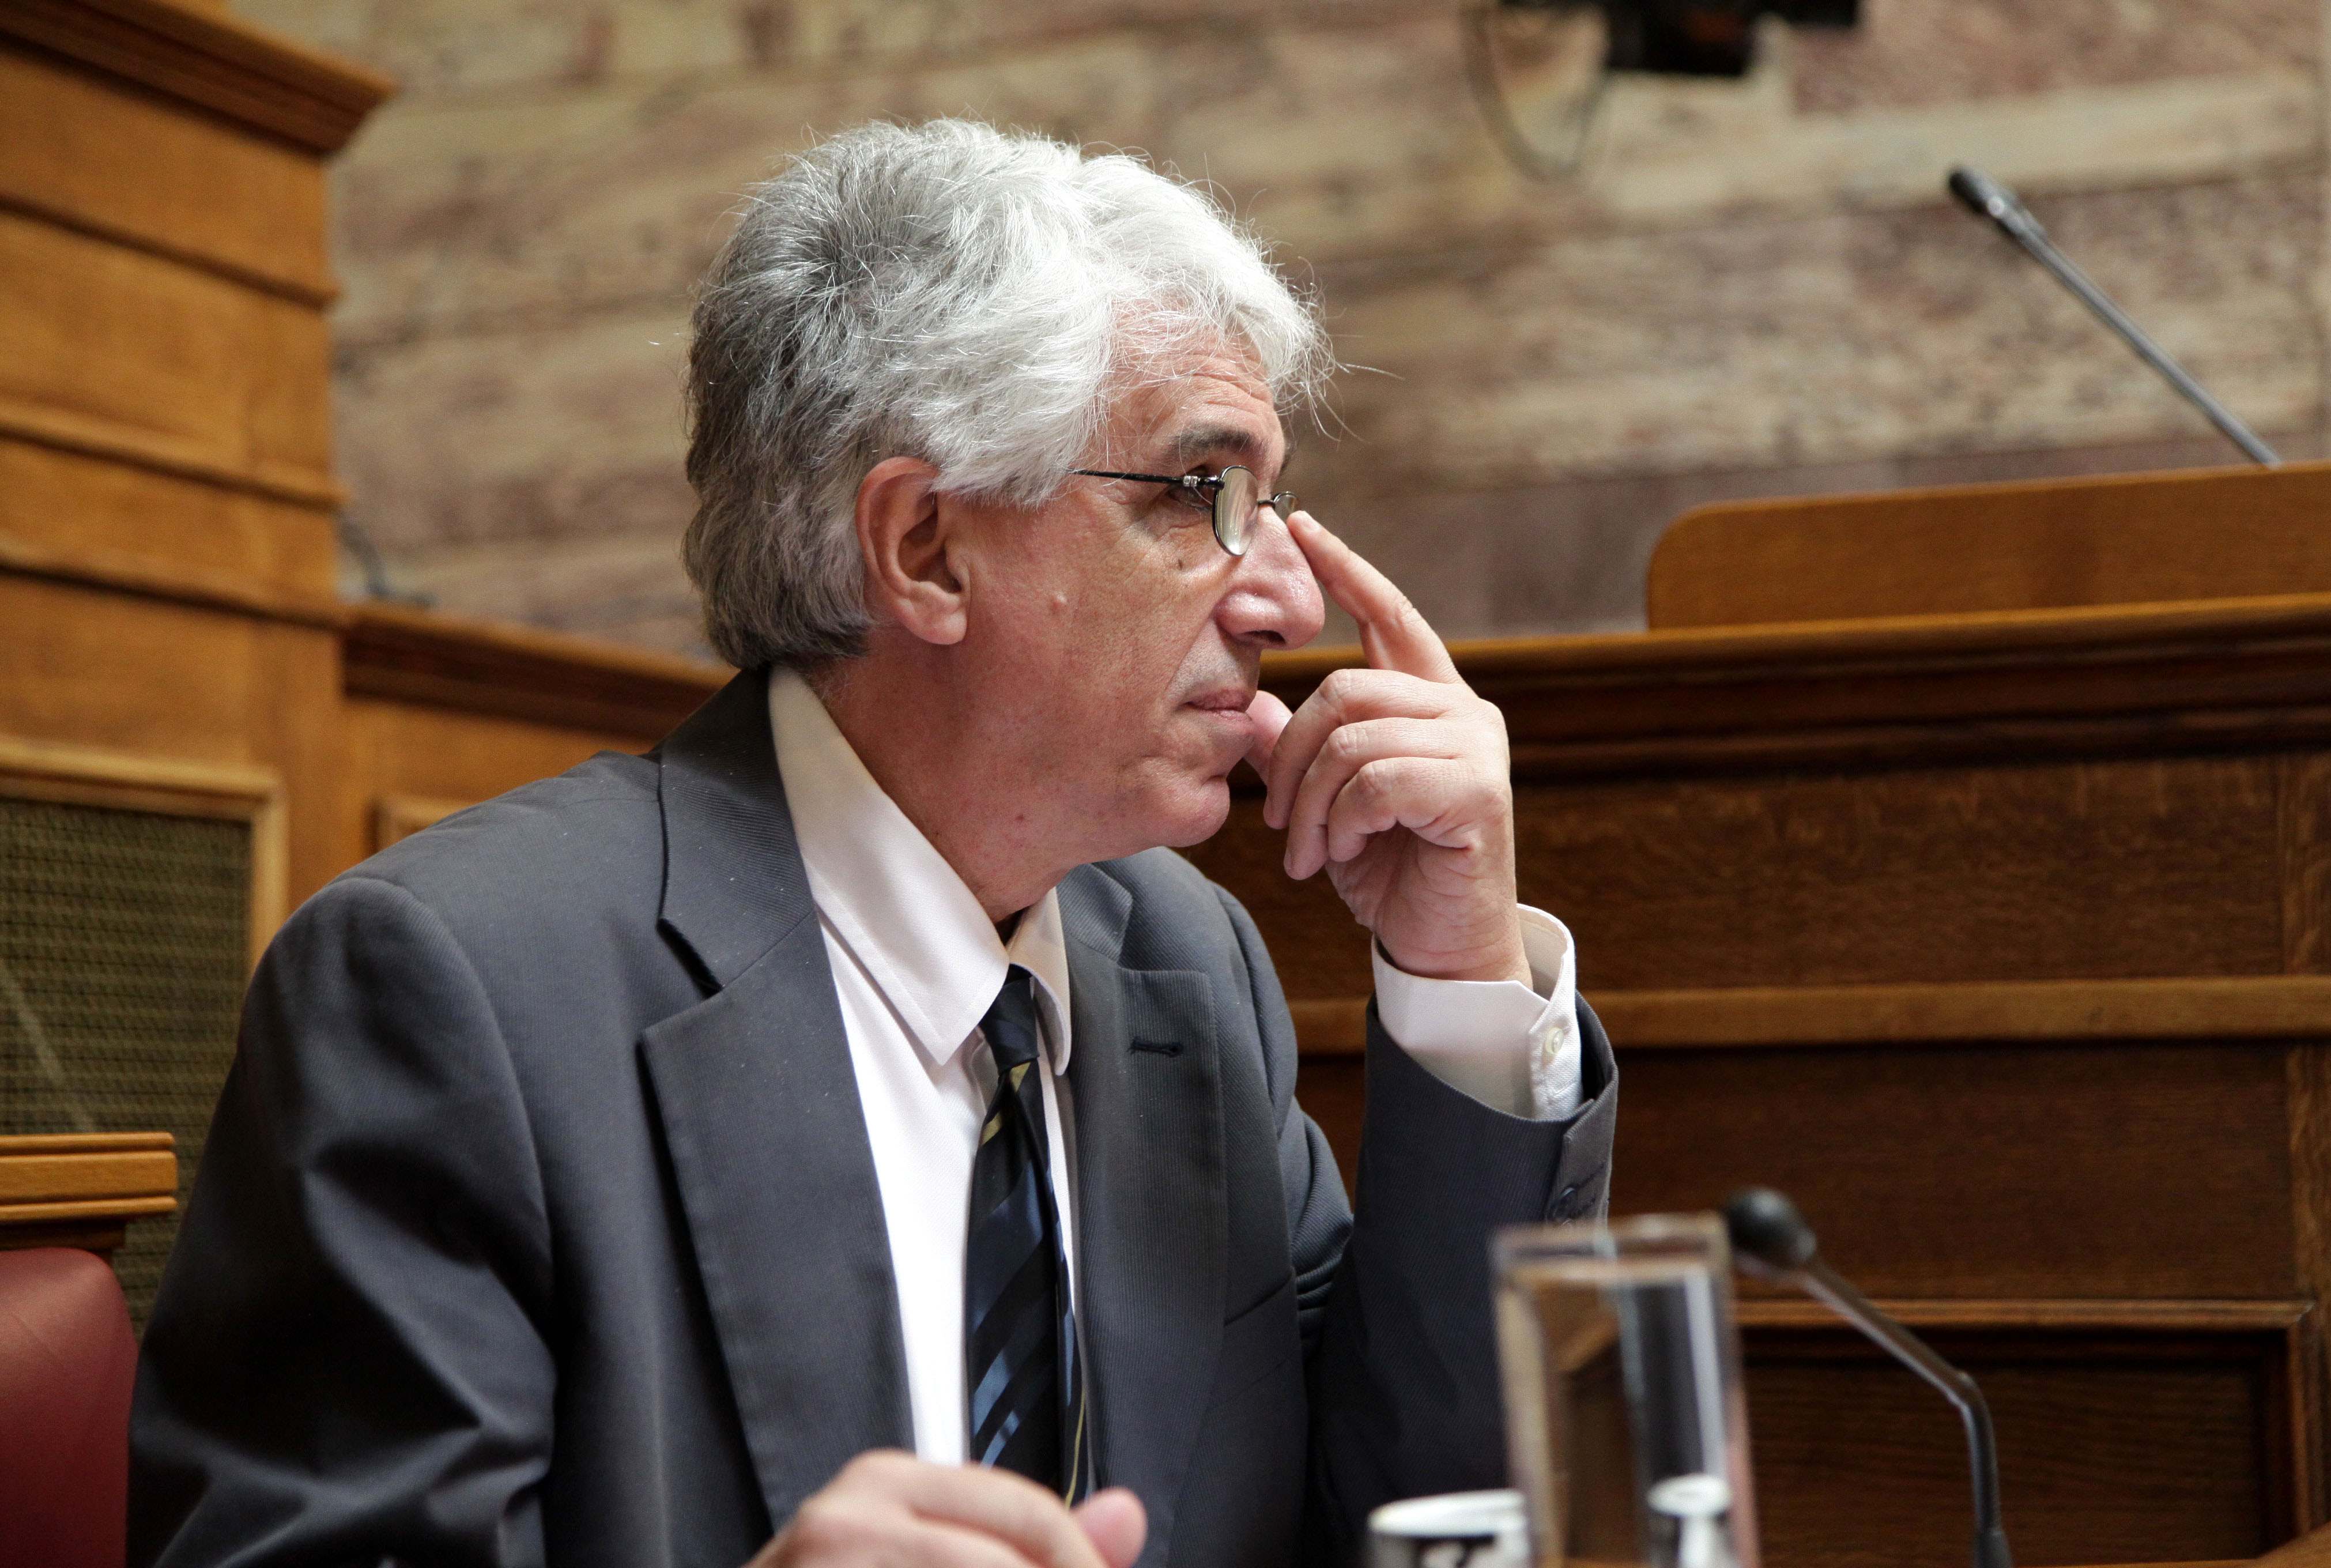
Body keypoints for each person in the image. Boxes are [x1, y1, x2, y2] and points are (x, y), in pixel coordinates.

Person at [130, 119, 1617, 1568]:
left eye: (1271, 502)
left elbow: (1412, 1522)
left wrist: (1462, 980)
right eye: (1202, 494)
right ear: (924, 549)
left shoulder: (1183, 958)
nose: (1288, 599)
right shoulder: (460, 987)